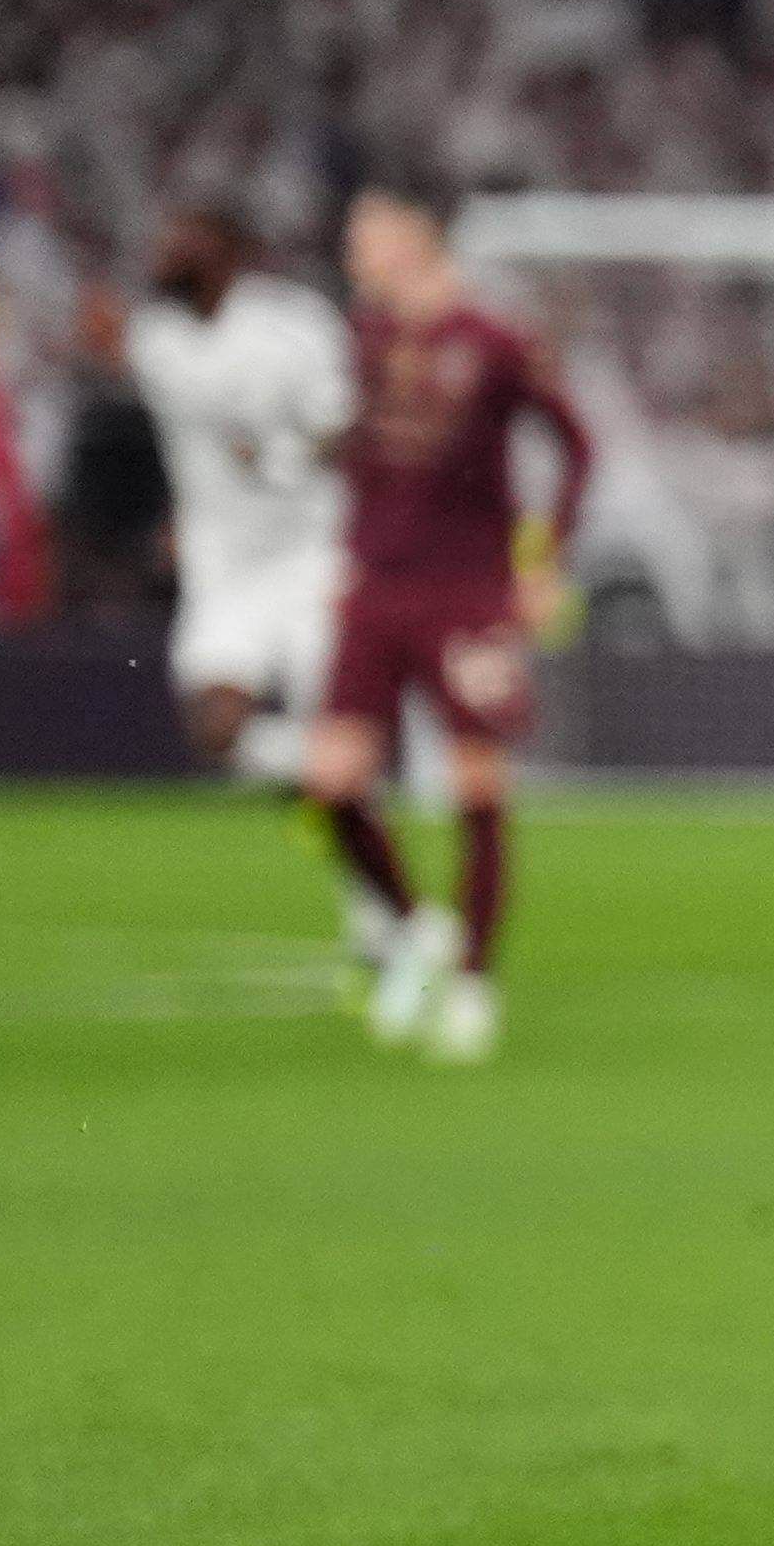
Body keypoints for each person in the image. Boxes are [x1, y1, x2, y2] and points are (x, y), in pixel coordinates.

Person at [306, 185, 592, 1064]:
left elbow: (576, 446)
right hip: (376, 589)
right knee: (329, 782)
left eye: (368, 229)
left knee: (476, 784)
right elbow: (367, 454)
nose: (355, 244)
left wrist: (543, 561)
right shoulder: (368, 338)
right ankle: (414, 923)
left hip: (467, 594)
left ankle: (472, 981)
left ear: (415, 237)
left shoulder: (495, 341)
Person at [124, 207, 380, 968]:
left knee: (333, 740)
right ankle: (327, 782)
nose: (165, 248)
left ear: (228, 250)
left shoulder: (297, 325)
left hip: (314, 557)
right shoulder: (155, 338)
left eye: (183, 235)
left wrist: (281, 460)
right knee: (218, 732)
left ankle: (376, 910)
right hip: (226, 569)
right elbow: (206, 420)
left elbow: (347, 429)